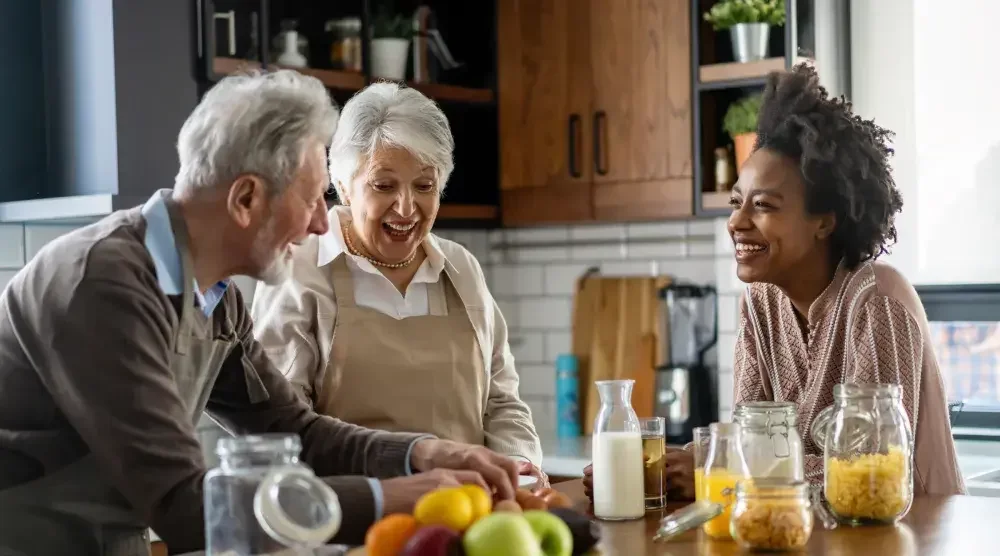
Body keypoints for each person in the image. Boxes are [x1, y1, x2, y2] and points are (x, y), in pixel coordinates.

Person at [0, 70, 522, 556]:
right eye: (313, 199)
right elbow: (186, 506)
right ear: (246, 198)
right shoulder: (103, 283)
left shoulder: (215, 295)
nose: (322, 224)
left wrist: (422, 454)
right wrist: (389, 498)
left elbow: (293, 429)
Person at [584, 62, 965, 500]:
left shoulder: (876, 301)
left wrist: (721, 471)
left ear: (823, 222)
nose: (736, 222)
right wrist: (662, 463)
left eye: (762, 205)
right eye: (735, 202)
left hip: (910, 537)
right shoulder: (760, 301)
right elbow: (751, 444)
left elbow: (872, 472)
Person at [251, 82, 545, 486]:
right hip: (353, 524)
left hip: (468, 517)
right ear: (344, 185)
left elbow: (502, 402)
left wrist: (518, 466)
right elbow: (282, 430)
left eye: (424, 186)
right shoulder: (299, 269)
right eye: (384, 185)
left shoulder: (460, 269)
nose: (406, 207)